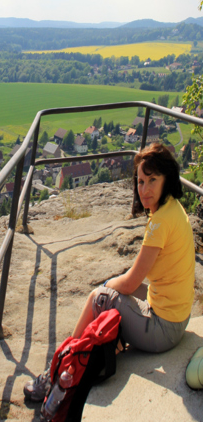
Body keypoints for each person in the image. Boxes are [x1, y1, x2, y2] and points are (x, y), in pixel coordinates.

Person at [74, 142, 195, 354]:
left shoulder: (160, 223)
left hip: (164, 331)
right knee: (114, 288)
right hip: (179, 317)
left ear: (166, 179)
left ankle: (65, 361)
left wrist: (107, 285)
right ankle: (102, 347)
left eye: (152, 180)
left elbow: (130, 285)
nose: (144, 189)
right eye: (140, 181)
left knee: (99, 297)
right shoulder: (173, 208)